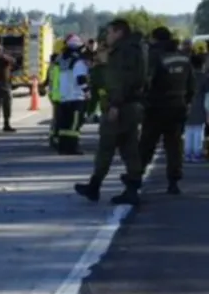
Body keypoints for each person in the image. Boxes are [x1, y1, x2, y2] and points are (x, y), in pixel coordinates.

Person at [74, 18, 147, 205]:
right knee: (129, 148)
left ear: (119, 32)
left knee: (107, 147)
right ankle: (131, 188)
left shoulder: (122, 52)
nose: (107, 36)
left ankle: (94, 186)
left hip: (120, 107)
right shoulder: (136, 50)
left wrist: (114, 104)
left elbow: (120, 80)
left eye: (109, 32)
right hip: (131, 106)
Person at [137, 27, 196, 195]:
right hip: (178, 107)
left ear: (156, 39)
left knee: (147, 144)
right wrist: (186, 102)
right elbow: (191, 85)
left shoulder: (155, 56)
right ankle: (173, 182)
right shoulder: (184, 58)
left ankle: (135, 177)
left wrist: (143, 100)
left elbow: (146, 82)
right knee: (174, 146)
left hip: (156, 107)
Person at [55, 35, 89, 154]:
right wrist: (87, 92)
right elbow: (80, 78)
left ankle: (62, 147)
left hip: (64, 97)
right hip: (76, 97)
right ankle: (72, 147)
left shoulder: (62, 60)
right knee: (74, 125)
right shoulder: (78, 61)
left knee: (64, 125)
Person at [183, 54, 208, 162]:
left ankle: (187, 153)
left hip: (186, 106)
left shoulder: (186, 76)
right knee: (198, 131)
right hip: (200, 107)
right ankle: (196, 153)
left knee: (188, 131)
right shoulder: (205, 78)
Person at [45, 49, 62, 149]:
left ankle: (53, 137)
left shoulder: (50, 67)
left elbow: (47, 81)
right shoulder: (57, 67)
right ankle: (55, 137)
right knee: (58, 118)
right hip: (58, 95)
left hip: (53, 94)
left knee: (55, 118)